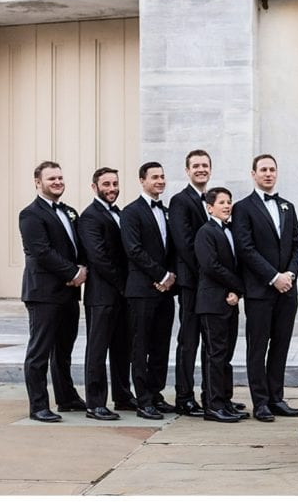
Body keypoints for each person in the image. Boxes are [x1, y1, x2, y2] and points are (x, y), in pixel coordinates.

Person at [231, 154, 298, 423]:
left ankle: (277, 398)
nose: (268, 174)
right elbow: (245, 248)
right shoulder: (243, 208)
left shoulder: (288, 206)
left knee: (281, 346)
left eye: (272, 169)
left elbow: (297, 245)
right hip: (260, 290)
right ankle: (259, 402)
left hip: (288, 290)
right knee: (257, 347)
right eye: (263, 170)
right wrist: (274, 277)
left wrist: (290, 274)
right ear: (253, 174)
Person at [19, 161, 88, 422]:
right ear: (38, 182)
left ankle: (67, 398)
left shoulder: (70, 211)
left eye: (60, 177)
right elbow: (41, 251)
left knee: (64, 350)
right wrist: (73, 273)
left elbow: (78, 245)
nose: (57, 182)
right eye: (51, 179)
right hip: (43, 293)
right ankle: (38, 406)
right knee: (39, 351)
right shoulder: (30, 214)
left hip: (69, 293)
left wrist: (82, 267)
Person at [76, 167, 137, 420]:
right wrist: (124, 284)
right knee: (98, 350)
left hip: (122, 295)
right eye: (106, 184)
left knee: (123, 348)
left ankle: (123, 395)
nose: (112, 188)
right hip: (102, 295)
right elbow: (98, 257)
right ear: (94, 187)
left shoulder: (120, 214)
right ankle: (95, 403)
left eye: (115, 183)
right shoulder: (89, 217)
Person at [120, 161, 176, 420]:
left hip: (165, 291)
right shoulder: (131, 212)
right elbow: (133, 250)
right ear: (142, 180)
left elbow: (171, 248)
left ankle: (156, 393)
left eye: (162, 177)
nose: (160, 181)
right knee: (140, 346)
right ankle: (143, 400)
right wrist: (161, 275)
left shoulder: (165, 211)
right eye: (155, 177)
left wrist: (170, 277)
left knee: (161, 345)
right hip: (142, 290)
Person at [194, 187, 248, 423]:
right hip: (212, 302)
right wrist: (237, 287)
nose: (227, 206)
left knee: (225, 355)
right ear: (209, 207)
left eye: (229, 201)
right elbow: (211, 266)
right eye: (222, 202)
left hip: (229, 301)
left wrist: (236, 292)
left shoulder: (230, 231)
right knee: (214, 355)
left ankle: (224, 400)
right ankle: (213, 406)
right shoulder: (206, 232)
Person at [167, 149, 214, 417]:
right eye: (195, 166)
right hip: (191, 283)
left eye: (205, 165)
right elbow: (184, 244)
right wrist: (207, 273)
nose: (200, 169)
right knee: (188, 341)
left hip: (211, 285)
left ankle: (212, 395)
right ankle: (184, 397)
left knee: (211, 342)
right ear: (187, 171)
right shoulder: (180, 201)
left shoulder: (214, 198)